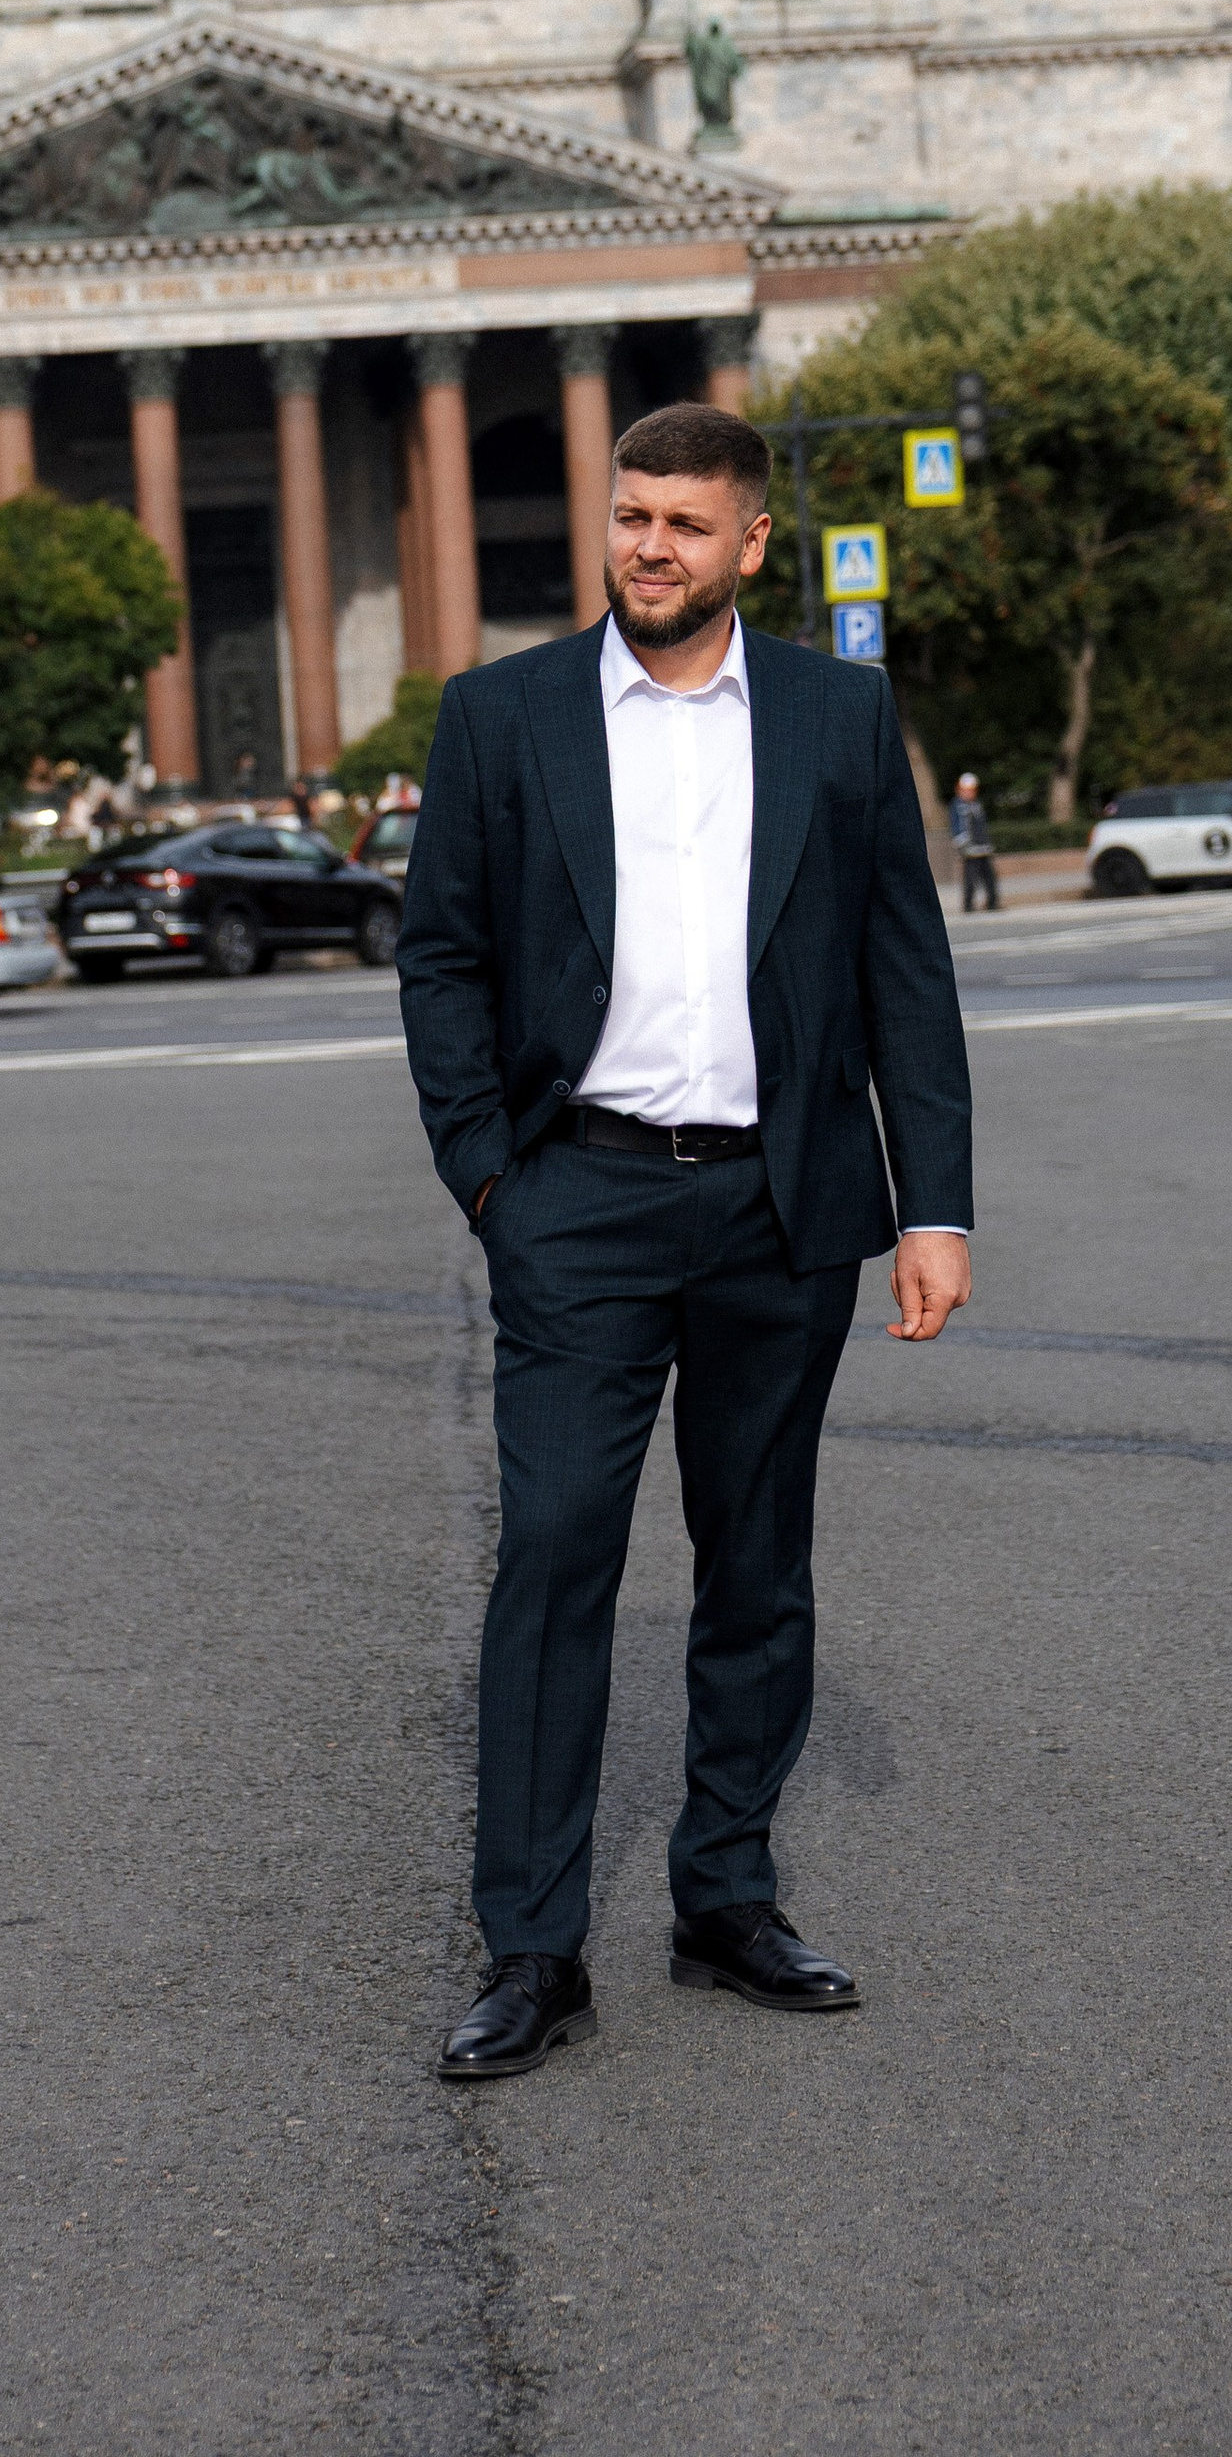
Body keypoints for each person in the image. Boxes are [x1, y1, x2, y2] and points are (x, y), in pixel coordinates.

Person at [397, 403, 973, 2080]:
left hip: (779, 1207)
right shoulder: (501, 717)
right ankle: (532, 1948)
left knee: (758, 1562)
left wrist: (930, 1206)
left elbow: (902, 980)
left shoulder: (839, 716)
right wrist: (493, 1179)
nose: (647, 546)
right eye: (629, 516)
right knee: (558, 1551)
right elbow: (440, 959)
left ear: (751, 546)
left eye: (683, 525)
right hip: (575, 1196)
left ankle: (725, 1894)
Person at [950, 772, 999, 914]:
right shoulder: (958, 806)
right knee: (970, 878)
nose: (970, 793)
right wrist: (962, 843)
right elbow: (957, 826)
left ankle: (992, 902)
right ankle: (968, 904)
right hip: (970, 849)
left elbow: (981, 826)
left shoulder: (976, 805)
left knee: (989, 877)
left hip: (982, 847)